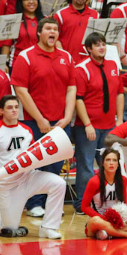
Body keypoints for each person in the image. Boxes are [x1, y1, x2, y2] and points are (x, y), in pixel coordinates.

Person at [11, 17, 76, 218]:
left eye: (55, 29)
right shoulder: (26, 56)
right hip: (33, 122)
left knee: (55, 165)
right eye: (48, 28)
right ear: (39, 32)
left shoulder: (66, 56)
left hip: (60, 122)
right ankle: (33, 204)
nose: (52, 32)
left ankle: (51, 203)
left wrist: (67, 117)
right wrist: (39, 119)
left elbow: (71, 88)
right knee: (35, 164)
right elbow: (20, 90)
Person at [0, 95, 66, 239]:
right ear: (1, 111)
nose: (14, 110)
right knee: (9, 229)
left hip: (28, 178)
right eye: (10, 107)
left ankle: (48, 228)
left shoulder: (27, 130)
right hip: (6, 186)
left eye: (16, 107)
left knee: (59, 183)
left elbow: (34, 156)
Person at [73, 32, 124, 214]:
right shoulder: (81, 68)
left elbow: (119, 93)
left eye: (103, 44)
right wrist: (88, 124)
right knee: (86, 166)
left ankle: (107, 201)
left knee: (110, 164)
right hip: (88, 127)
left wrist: (119, 120)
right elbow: (78, 99)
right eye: (97, 45)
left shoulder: (113, 65)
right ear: (89, 49)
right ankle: (82, 204)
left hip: (109, 125)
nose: (102, 47)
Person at [81, 148, 127, 240]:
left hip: (116, 222)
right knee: (95, 221)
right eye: (108, 160)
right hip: (100, 220)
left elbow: (124, 204)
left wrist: (122, 219)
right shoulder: (94, 181)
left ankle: (108, 233)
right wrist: (104, 220)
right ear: (103, 163)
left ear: (118, 164)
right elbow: (84, 207)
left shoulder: (123, 180)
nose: (111, 163)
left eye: (114, 160)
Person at [54, 0, 99, 64]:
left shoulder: (95, 14)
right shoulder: (60, 14)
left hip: (90, 62)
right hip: (67, 62)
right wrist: (64, 57)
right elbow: (55, 39)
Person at [2, 0, 44, 70]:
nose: (31, 2)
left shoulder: (44, 20)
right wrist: (3, 64)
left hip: (40, 64)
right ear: (21, 2)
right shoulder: (13, 20)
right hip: (18, 64)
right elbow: (6, 44)